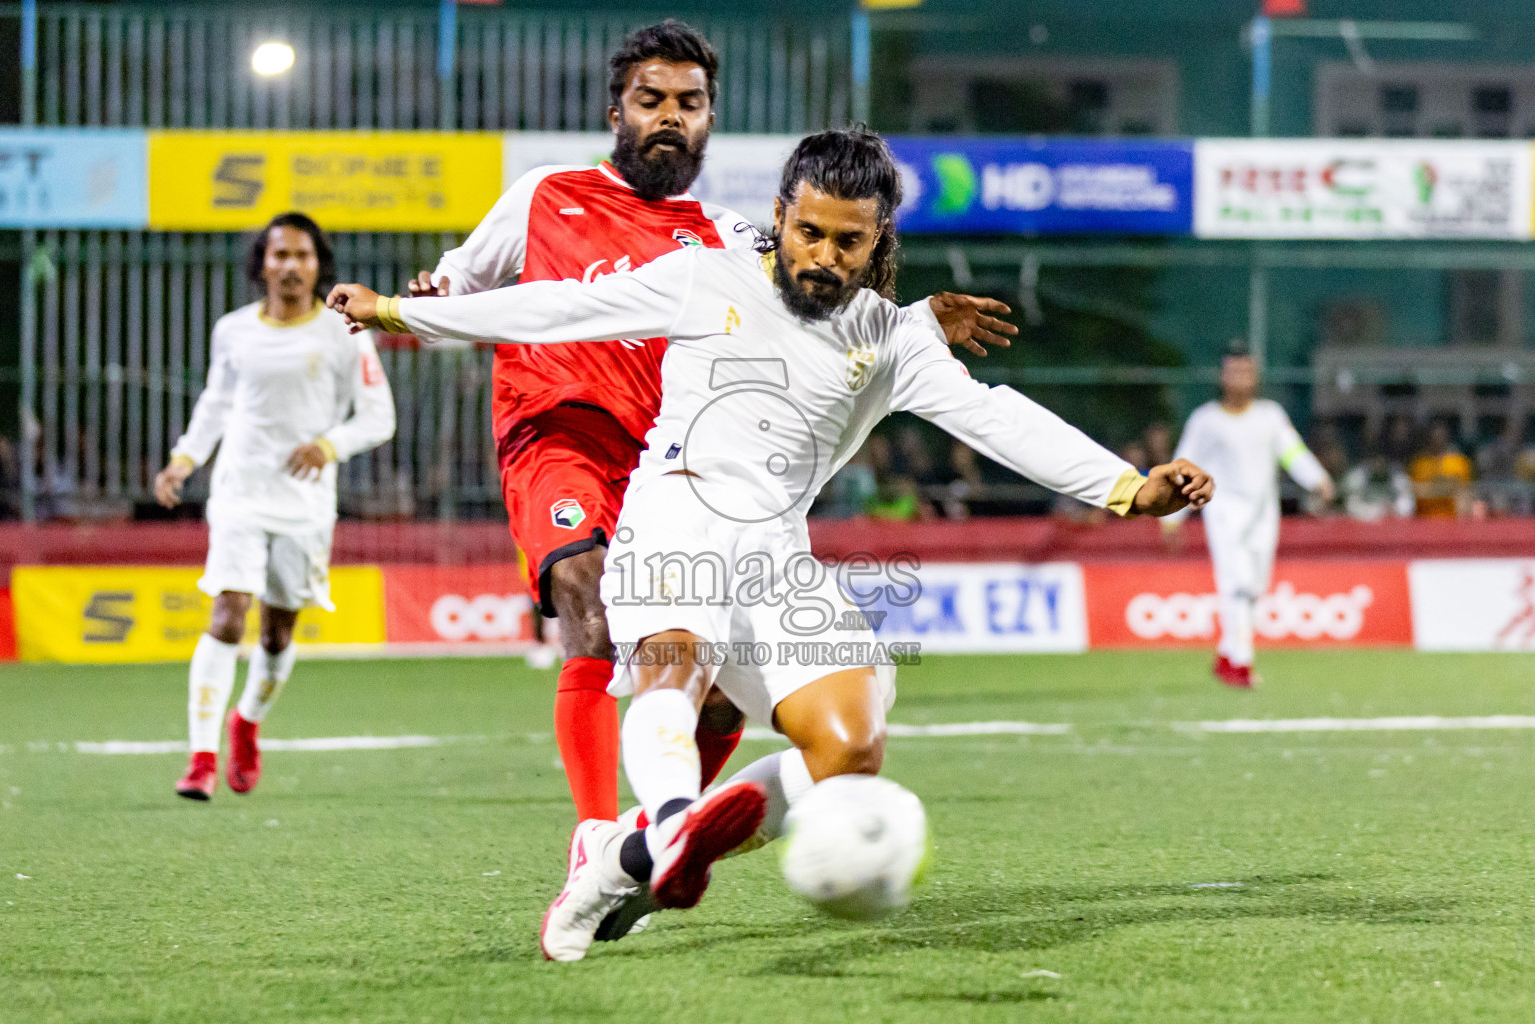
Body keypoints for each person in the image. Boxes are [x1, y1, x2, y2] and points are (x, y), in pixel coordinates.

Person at [328, 126, 1213, 961]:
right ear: (781, 214)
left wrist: (1126, 487)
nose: (823, 256)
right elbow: (559, 307)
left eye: (848, 242)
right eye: (809, 232)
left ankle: (631, 857)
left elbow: (994, 415)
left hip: (777, 554)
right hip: (673, 516)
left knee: (851, 753)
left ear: (879, 244)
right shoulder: (703, 277)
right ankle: (676, 825)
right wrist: (399, 313)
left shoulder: (896, 337)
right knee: (676, 662)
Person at [405, 22, 1018, 836]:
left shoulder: (726, 235)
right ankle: (596, 842)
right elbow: (466, 278)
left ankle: (660, 830)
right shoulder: (544, 195)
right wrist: (429, 294)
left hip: (674, 461)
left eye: (689, 103)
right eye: (650, 99)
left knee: (723, 682)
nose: (670, 116)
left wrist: (919, 318)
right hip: (561, 432)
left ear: (709, 116)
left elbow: (826, 286)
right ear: (615, 109)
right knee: (587, 607)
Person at [155, 212, 396, 800]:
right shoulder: (234, 330)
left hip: (305, 505)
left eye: (302, 256)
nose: (290, 265)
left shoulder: (345, 331)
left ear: (319, 265)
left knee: (277, 632)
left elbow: (378, 417)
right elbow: (216, 401)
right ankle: (201, 758)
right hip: (239, 491)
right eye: (279, 254)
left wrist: (328, 445)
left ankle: (247, 722)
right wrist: (184, 459)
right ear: (262, 263)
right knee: (227, 614)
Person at [1162, 344, 1332, 688]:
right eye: (1234, 371)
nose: (1241, 377)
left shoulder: (1270, 415)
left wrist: (1317, 479)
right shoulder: (1206, 420)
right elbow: (1183, 465)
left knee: (1255, 587)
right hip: (1223, 513)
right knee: (1236, 585)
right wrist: (1170, 518)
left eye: (1247, 371)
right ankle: (1241, 663)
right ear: (1223, 376)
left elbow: (1292, 451)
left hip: (1263, 514)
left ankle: (1227, 653)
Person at [1409, 422, 1473, 518]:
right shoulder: (1419, 463)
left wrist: (1433, 489)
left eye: (1441, 437)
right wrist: (1446, 487)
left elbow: (1463, 490)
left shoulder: (1459, 462)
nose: (1438, 440)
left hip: (1452, 518)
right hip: (1425, 518)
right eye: (1434, 438)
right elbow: (1416, 491)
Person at [1342, 449, 1415, 522]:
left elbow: (1407, 500)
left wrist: (1395, 508)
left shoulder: (1397, 475)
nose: (1379, 462)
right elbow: (1352, 504)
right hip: (1366, 522)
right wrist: (1376, 511)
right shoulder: (1358, 476)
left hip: (1393, 522)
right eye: (1375, 459)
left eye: (1382, 459)